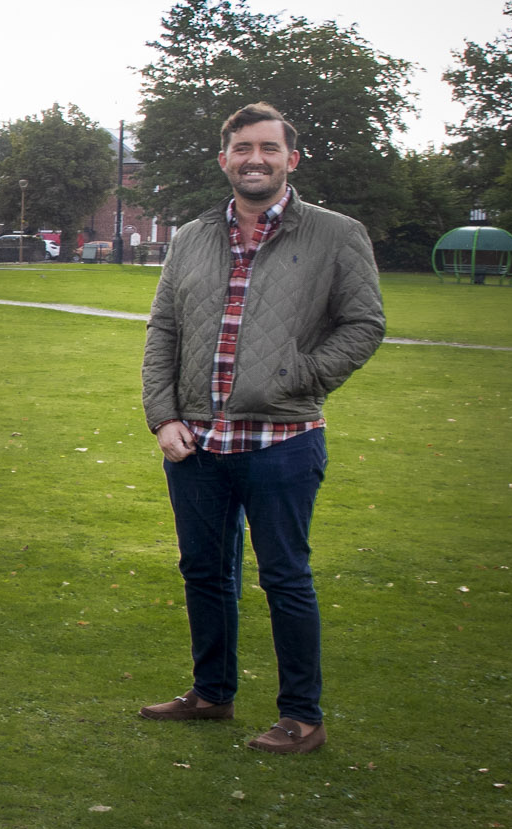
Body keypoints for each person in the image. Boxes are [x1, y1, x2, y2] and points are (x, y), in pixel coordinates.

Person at [138, 103, 384, 754]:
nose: (254, 158)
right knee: (203, 571)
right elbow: (162, 329)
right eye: (241, 148)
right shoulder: (190, 236)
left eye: (267, 148)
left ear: (289, 159)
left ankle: (301, 717)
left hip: (282, 443)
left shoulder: (335, 234)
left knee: (284, 576)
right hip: (195, 446)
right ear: (224, 159)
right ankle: (210, 694)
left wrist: (299, 376)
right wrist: (161, 416)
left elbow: (364, 325)